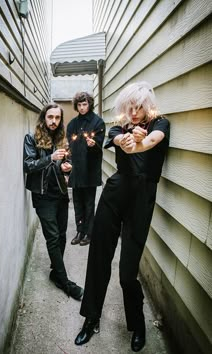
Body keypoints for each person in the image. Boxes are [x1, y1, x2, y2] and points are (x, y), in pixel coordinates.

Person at [74, 82, 170, 351]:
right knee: (99, 257)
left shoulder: (161, 124)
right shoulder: (119, 127)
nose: (135, 111)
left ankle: (137, 325)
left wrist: (139, 141)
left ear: (147, 105)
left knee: (127, 272)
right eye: (130, 106)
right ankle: (91, 318)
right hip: (115, 193)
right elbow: (117, 140)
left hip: (142, 201)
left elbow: (152, 141)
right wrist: (124, 139)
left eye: (139, 106)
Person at [23, 102, 83, 301]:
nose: (54, 121)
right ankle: (64, 282)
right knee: (53, 237)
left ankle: (55, 272)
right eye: (50, 117)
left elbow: (68, 162)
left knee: (63, 235)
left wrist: (67, 168)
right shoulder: (31, 138)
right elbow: (28, 165)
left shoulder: (61, 138)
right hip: (42, 196)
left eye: (57, 118)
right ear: (44, 118)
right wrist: (50, 158)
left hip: (61, 193)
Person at [66, 92, 105, 246]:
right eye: (79, 105)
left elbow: (99, 146)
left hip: (89, 170)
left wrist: (93, 145)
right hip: (76, 170)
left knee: (89, 204)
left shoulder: (98, 122)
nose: (82, 108)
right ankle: (79, 231)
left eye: (85, 104)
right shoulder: (72, 124)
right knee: (77, 203)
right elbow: (69, 147)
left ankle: (89, 234)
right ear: (76, 106)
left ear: (89, 104)